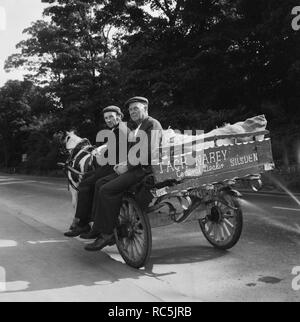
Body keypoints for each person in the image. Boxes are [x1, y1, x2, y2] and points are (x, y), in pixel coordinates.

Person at [84, 96, 163, 251]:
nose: (132, 111)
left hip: (145, 170)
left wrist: (127, 166)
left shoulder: (151, 124)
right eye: (130, 109)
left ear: (145, 109)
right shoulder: (140, 126)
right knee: (100, 183)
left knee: (106, 190)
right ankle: (99, 227)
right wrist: (124, 163)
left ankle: (107, 235)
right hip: (136, 167)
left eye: (136, 108)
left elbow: (149, 151)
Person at [64, 105, 130, 237]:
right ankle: (86, 221)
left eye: (111, 116)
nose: (108, 120)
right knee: (87, 177)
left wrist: (102, 155)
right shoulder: (119, 129)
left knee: (85, 184)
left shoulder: (120, 130)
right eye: (106, 118)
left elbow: (118, 153)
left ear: (119, 116)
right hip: (112, 164)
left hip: (114, 167)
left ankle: (83, 224)